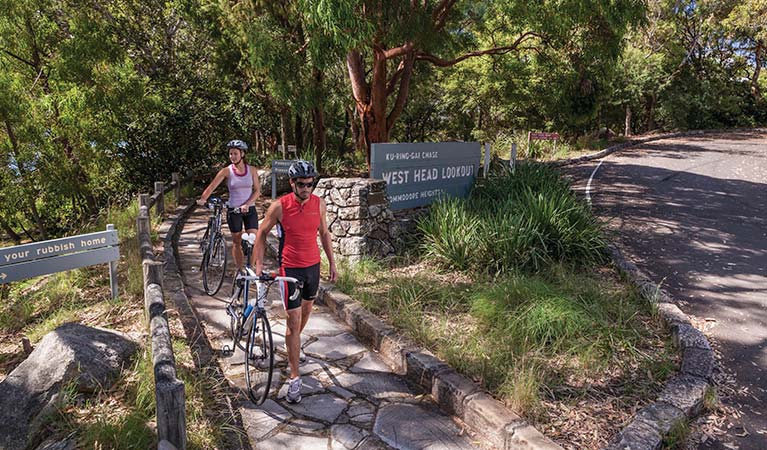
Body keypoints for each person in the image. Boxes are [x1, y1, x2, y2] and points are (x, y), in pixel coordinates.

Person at [254, 159, 338, 404]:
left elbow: (324, 233)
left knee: (307, 311)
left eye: (310, 184)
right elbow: (262, 233)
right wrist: (258, 267)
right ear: (292, 183)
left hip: (313, 266)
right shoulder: (280, 206)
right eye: (301, 184)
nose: (306, 188)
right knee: (293, 320)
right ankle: (294, 378)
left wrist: (332, 263)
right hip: (290, 268)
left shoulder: (319, 204)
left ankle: (294, 344)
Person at [197, 139, 261, 272]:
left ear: (242, 154)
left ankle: (251, 268)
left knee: (254, 240)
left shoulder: (252, 170)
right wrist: (203, 199)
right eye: (230, 154)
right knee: (237, 241)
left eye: (235, 154)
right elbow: (212, 187)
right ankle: (239, 270)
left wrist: (247, 204)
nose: (232, 156)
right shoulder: (226, 171)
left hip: (250, 209)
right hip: (234, 210)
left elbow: (257, 190)